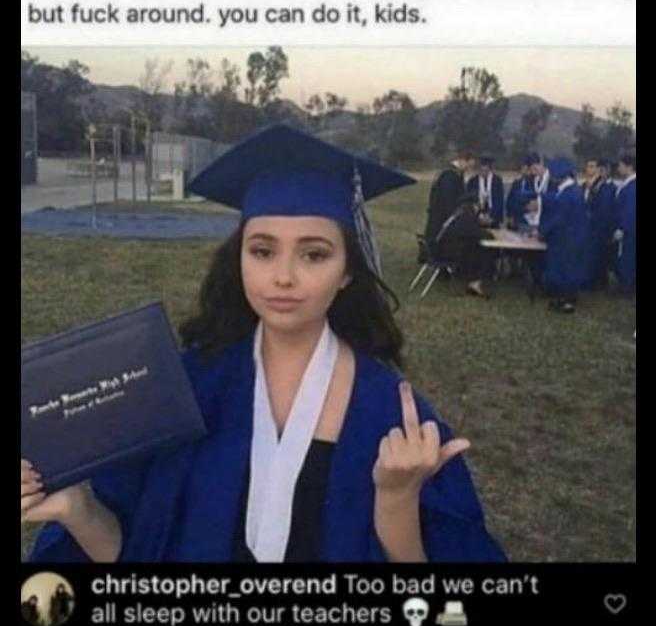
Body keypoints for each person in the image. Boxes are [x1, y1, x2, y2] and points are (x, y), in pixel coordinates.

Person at [23, 125, 505, 563]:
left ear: (347, 272)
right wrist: (78, 509)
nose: (283, 277)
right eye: (262, 250)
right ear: (240, 260)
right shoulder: (183, 390)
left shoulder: (391, 415)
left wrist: (397, 501)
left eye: (314, 254)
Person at [538, 157, 589, 313]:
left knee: (565, 269)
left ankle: (566, 301)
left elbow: (558, 218)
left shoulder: (569, 193)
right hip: (569, 237)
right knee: (566, 268)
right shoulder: (571, 190)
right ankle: (564, 298)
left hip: (567, 238)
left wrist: (542, 231)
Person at [434, 192, 497, 298]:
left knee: (476, 247)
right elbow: (475, 232)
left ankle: (473, 280)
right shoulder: (467, 214)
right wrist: (490, 234)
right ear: (474, 204)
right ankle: (475, 283)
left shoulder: (459, 212)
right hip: (448, 252)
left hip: (441, 247)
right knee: (486, 251)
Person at [422, 151, 475, 261]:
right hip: (440, 228)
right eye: (469, 165)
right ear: (463, 160)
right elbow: (449, 204)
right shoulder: (450, 176)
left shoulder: (450, 174)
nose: (469, 169)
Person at [581, 157, 616, 290]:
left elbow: (604, 209)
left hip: (597, 227)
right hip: (585, 227)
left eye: (593, 166)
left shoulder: (605, 187)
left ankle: (596, 281)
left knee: (597, 256)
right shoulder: (583, 186)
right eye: (588, 166)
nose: (590, 169)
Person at [611, 153, 636, 294]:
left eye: (621, 166)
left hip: (629, 231)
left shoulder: (632, 186)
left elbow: (630, 210)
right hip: (626, 228)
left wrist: (622, 228)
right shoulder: (627, 184)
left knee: (627, 257)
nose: (619, 169)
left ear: (629, 167)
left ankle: (627, 287)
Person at [466, 155, 504, 228]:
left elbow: (499, 200)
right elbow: (469, 201)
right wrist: (478, 215)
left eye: (486, 171)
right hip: (477, 217)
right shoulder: (472, 181)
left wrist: (491, 217)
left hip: (493, 216)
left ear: (490, 169)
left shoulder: (497, 181)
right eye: (481, 170)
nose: (483, 173)